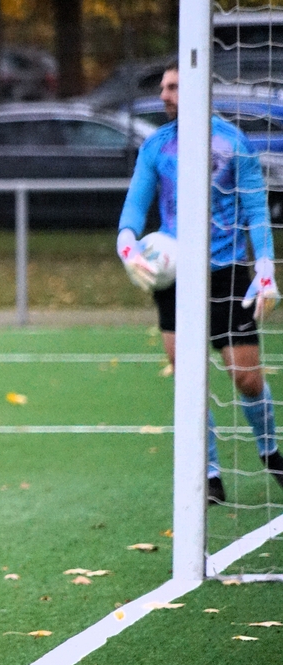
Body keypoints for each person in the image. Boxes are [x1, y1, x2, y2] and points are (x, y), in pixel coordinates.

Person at [117, 59, 283, 502]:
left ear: (196, 89)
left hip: (227, 274)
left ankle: (270, 452)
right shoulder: (157, 146)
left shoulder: (233, 142)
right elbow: (135, 205)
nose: (164, 95)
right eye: (163, 87)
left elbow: (255, 209)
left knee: (247, 379)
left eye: (173, 87)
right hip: (175, 277)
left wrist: (265, 266)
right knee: (188, 378)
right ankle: (208, 475)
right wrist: (127, 245)